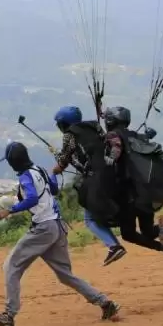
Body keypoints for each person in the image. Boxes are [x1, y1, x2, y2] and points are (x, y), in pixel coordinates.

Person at [0, 141, 120, 326]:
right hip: (57, 226)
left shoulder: (25, 177)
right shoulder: (38, 169)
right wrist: (54, 174)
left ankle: (9, 315)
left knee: (11, 266)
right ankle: (105, 303)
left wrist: (10, 211)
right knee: (65, 275)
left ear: (13, 163)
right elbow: (54, 189)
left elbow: (31, 198)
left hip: (42, 229)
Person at [102, 106, 163, 269]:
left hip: (127, 195)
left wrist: (108, 160)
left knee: (128, 234)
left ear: (110, 121)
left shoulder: (113, 136)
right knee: (147, 231)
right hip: (144, 192)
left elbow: (116, 149)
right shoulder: (137, 137)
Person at [50, 105, 126, 265]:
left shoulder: (69, 135)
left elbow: (65, 159)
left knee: (90, 218)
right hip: (111, 169)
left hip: (95, 178)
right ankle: (116, 243)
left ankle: (114, 245)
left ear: (64, 124)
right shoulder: (95, 125)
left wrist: (57, 167)